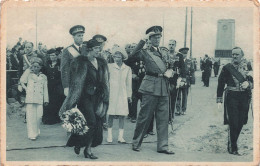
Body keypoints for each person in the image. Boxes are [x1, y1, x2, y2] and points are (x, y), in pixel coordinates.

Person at [59, 39, 109, 159]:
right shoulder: (81, 62)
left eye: (99, 48)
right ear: (90, 49)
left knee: (97, 123)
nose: (99, 50)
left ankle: (87, 148)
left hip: (97, 96)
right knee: (90, 122)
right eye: (97, 48)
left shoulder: (101, 62)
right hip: (84, 97)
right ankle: (82, 145)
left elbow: (105, 80)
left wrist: (105, 94)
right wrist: (72, 96)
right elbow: (75, 81)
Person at [129, 26, 174, 154]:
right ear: (149, 38)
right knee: (144, 116)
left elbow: (169, 66)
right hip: (150, 86)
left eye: (159, 37)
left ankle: (163, 146)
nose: (157, 39)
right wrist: (141, 42)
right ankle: (136, 142)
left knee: (163, 118)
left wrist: (170, 71)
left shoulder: (164, 52)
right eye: (154, 37)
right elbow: (131, 58)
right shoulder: (144, 51)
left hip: (163, 87)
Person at [217, 47, 253, 155]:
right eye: (233, 54)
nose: (234, 56)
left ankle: (233, 142)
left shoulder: (248, 66)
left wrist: (249, 84)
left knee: (241, 121)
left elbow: (254, 81)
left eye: (237, 54)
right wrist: (219, 99)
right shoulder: (227, 67)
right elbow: (220, 84)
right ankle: (233, 146)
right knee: (233, 121)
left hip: (244, 97)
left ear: (242, 55)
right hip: (231, 96)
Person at [106, 46, 132, 143]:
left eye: (118, 57)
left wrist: (129, 95)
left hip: (122, 94)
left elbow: (129, 83)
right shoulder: (109, 67)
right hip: (112, 94)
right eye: (115, 56)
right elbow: (106, 81)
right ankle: (109, 136)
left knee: (122, 115)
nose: (116, 58)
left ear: (122, 57)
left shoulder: (127, 68)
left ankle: (120, 137)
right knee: (111, 114)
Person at [20, 57, 49, 140]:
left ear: (40, 67)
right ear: (31, 67)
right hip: (30, 98)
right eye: (34, 66)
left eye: (37, 67)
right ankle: (31, 134)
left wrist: (46, 100)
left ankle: (36, 130)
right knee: (30, 117)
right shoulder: (28, 74)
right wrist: (26, 89)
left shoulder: (43, 77)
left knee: (39, 116)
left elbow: (45, 89)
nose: (35, 68)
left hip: (39, 99)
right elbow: (22, 81)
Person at [42, 49, 65, 125]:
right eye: (51, 55)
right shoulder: (46, 64)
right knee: (49, 101)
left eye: (54, 55)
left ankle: (56, 118)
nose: (52, 57)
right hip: (49, 86)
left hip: (58, 86)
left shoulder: (60, 64)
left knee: (57, 101)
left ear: (57, 56)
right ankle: (48, 118)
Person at [61, 25, 85, 97]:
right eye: (78, 36)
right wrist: (66, 87)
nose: (81, 37)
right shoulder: (67, 50)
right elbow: (65, 69)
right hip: (73, 83)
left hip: (86, 84)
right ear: (73, 37)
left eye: (82, 35)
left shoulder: (86, 49)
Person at [175, 48, 194, 115]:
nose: (184, 55)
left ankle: (184, 109)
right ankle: (178, 109)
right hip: (179, 79)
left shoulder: (189, 61)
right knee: (178, 95)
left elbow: (192, 71)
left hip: (186, 80)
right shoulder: (177, 60)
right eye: (183, 54)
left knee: (185, 95)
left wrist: (192, 81)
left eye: (186, 53)